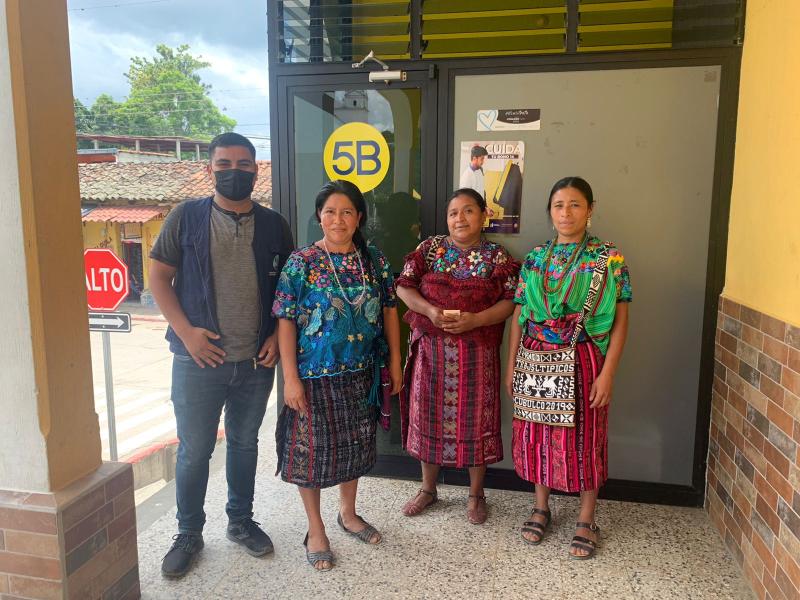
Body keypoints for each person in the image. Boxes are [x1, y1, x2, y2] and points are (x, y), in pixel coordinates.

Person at [149, 132, 294, 578]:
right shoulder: (186, 217)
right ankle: (188, 533)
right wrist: (187, 333)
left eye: (244, 164)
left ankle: (240, 521)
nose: (235, 172)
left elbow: (288, 292)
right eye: (224, 164)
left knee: (245, 443)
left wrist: (275, 336)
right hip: (198, 361)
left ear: (256, 169)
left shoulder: (274, 225)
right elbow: (158, 278)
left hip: (254, 362)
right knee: (195, 451)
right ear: (209, 168)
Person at [273, 180, 402, 571]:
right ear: (319, 216)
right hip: (313, 376)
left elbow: (390, 310)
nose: (338, 219)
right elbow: (285, 319)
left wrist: (396, 360)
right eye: (330, 211)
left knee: (355, 447)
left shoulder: (373, 259)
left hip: (361, 374)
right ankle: (316, 529)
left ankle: (348, 513)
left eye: (347, 212)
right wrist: (290, 378)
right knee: (310, 454)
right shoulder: (301, 262)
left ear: (359, 217)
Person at [505, 176, 631, 559]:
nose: (566, 212)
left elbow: (621, 320)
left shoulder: (608, 258)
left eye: (575, 204)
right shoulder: (535, 258)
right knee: (538, 433)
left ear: (590, 209)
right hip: (535, 357)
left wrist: (608, 373)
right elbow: (520, 316)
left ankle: (586, 518)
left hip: (584, 357)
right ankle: (540, 507)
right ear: (550, 211)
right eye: (559, 205)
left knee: (586, 436)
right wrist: (511, 365)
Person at [396, 188, 520, 524]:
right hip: (431, 352)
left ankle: (476, 494)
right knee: (428, 415)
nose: (459, 218)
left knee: (476, 421)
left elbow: (512, 301)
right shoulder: (430, 249)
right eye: (453, 213)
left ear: (483, 216)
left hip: (477, 355)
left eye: (468, 211)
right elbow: (403, 286)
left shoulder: (497, 257)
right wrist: (430, 311)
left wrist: (476, 320)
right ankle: (428, 489)